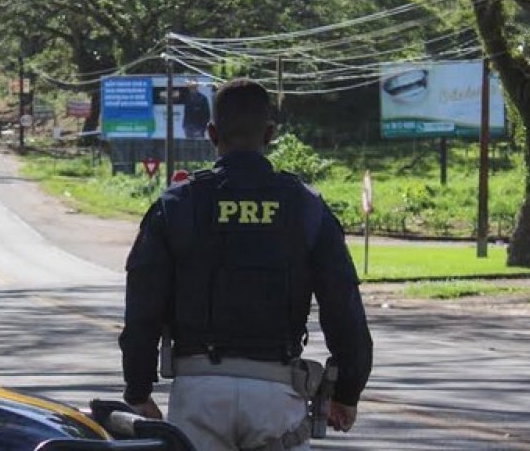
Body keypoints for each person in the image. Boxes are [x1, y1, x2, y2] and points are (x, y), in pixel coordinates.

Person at [119, 78, 372, 450]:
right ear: (269, 133)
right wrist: (347, 390)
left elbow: (143, 305)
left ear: (211, 133)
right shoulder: (306, 207)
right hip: (277, 394)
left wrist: (138, 389)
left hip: (197, 395)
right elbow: (343, 306)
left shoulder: (177, 205)